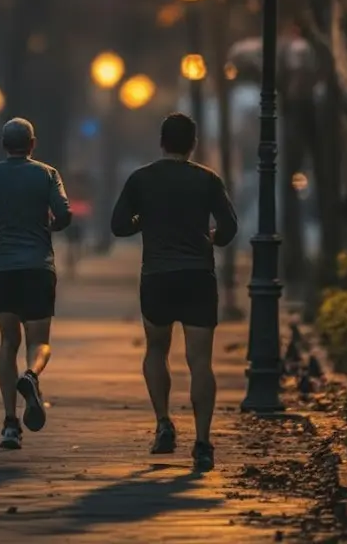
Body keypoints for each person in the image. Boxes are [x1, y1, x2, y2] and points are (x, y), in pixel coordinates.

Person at [110, 112, 238, 472]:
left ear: (161, 142)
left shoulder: (141, 180)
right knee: (200, 361)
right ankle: (202, 443)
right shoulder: (208, 180)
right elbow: (229, 228)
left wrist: (144, 221)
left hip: (157, 276)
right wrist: (213, 238)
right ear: (193, 144)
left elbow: (118, 225)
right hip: (198, 276)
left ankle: (164, 423)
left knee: (156, 349)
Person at [0, 117, 72, 450]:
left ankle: (10, 423)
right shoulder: (47, 174)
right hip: (37, 267)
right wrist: (46, 224)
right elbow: (64, 214)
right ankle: (32, 376)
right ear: (32, 144)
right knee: (39, 342)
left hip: (1, 270)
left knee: (8, 341)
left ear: (3, 144)